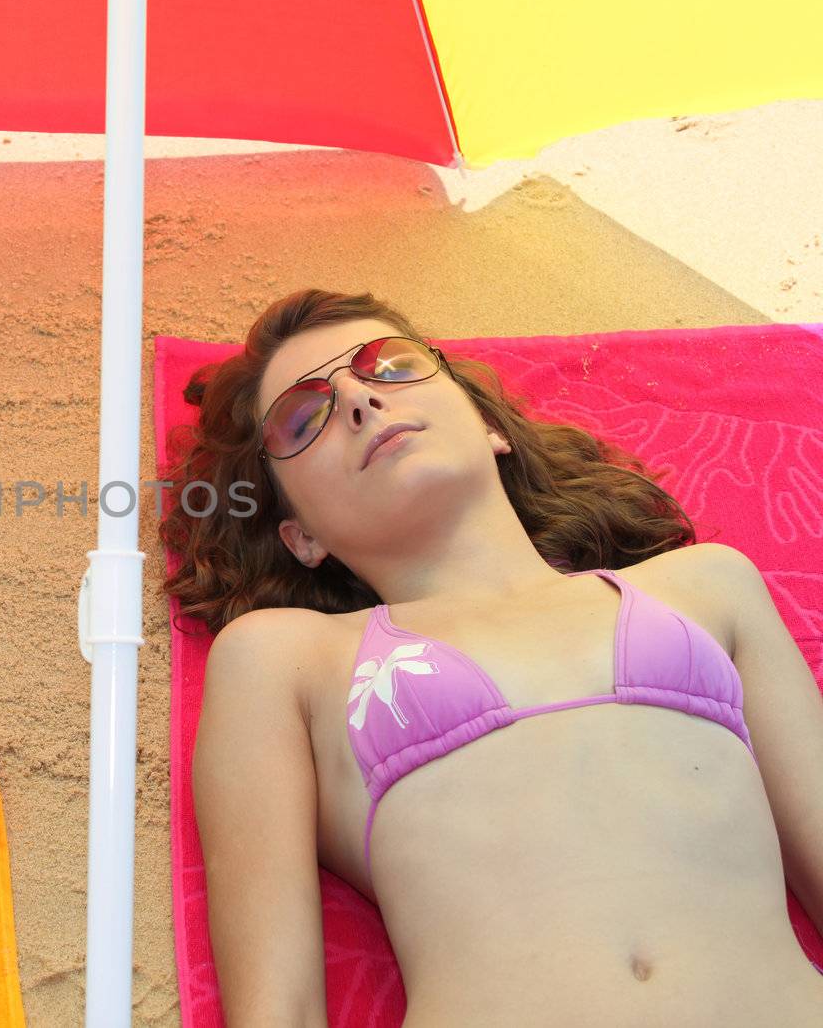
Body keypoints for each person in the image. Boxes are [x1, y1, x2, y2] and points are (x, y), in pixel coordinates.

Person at [160, 289, 823, 1025]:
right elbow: (275, 1011)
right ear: (300, 535)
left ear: (486, 425)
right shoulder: (283, 657)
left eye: (389, 366)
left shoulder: (709, 584)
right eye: (301, 416)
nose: (357, 398)